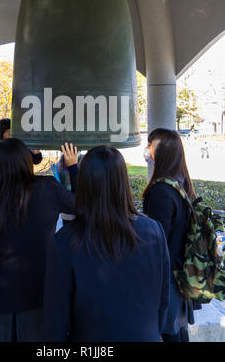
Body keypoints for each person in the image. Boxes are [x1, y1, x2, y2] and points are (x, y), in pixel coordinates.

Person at [41, 146, 170, 342]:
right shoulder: (154, 231)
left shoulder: (65, 242)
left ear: (83, 184)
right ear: (122, 181)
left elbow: (55, 323)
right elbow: (162, 303)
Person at [0, 139, 78, 342]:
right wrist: (73, 168)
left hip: (1, 298)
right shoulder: (48, 188)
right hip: (41, 292)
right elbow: (82, 207)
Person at [142, 128, 196, 342]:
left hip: (167, 278)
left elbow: (156, 239)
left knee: (168, 335)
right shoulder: (179, 182)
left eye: (151, 145)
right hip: (178, 274)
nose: (147, 150)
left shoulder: (161, 191)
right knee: (178, 334)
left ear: (162, 152)